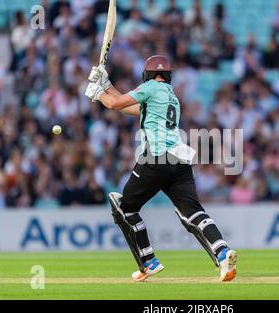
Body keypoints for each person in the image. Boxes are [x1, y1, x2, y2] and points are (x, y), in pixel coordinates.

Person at [85, 55, 237, 282]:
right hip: (181, 161)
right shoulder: (171, 97)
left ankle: (148, 262)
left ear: (147, 75)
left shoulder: (149, 87)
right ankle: (222, 251)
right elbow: (131, 108)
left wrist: (96, 93)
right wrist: (106, 84)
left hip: (157, 158)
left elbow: (115, 104)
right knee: (192, 211)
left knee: (124, 208)